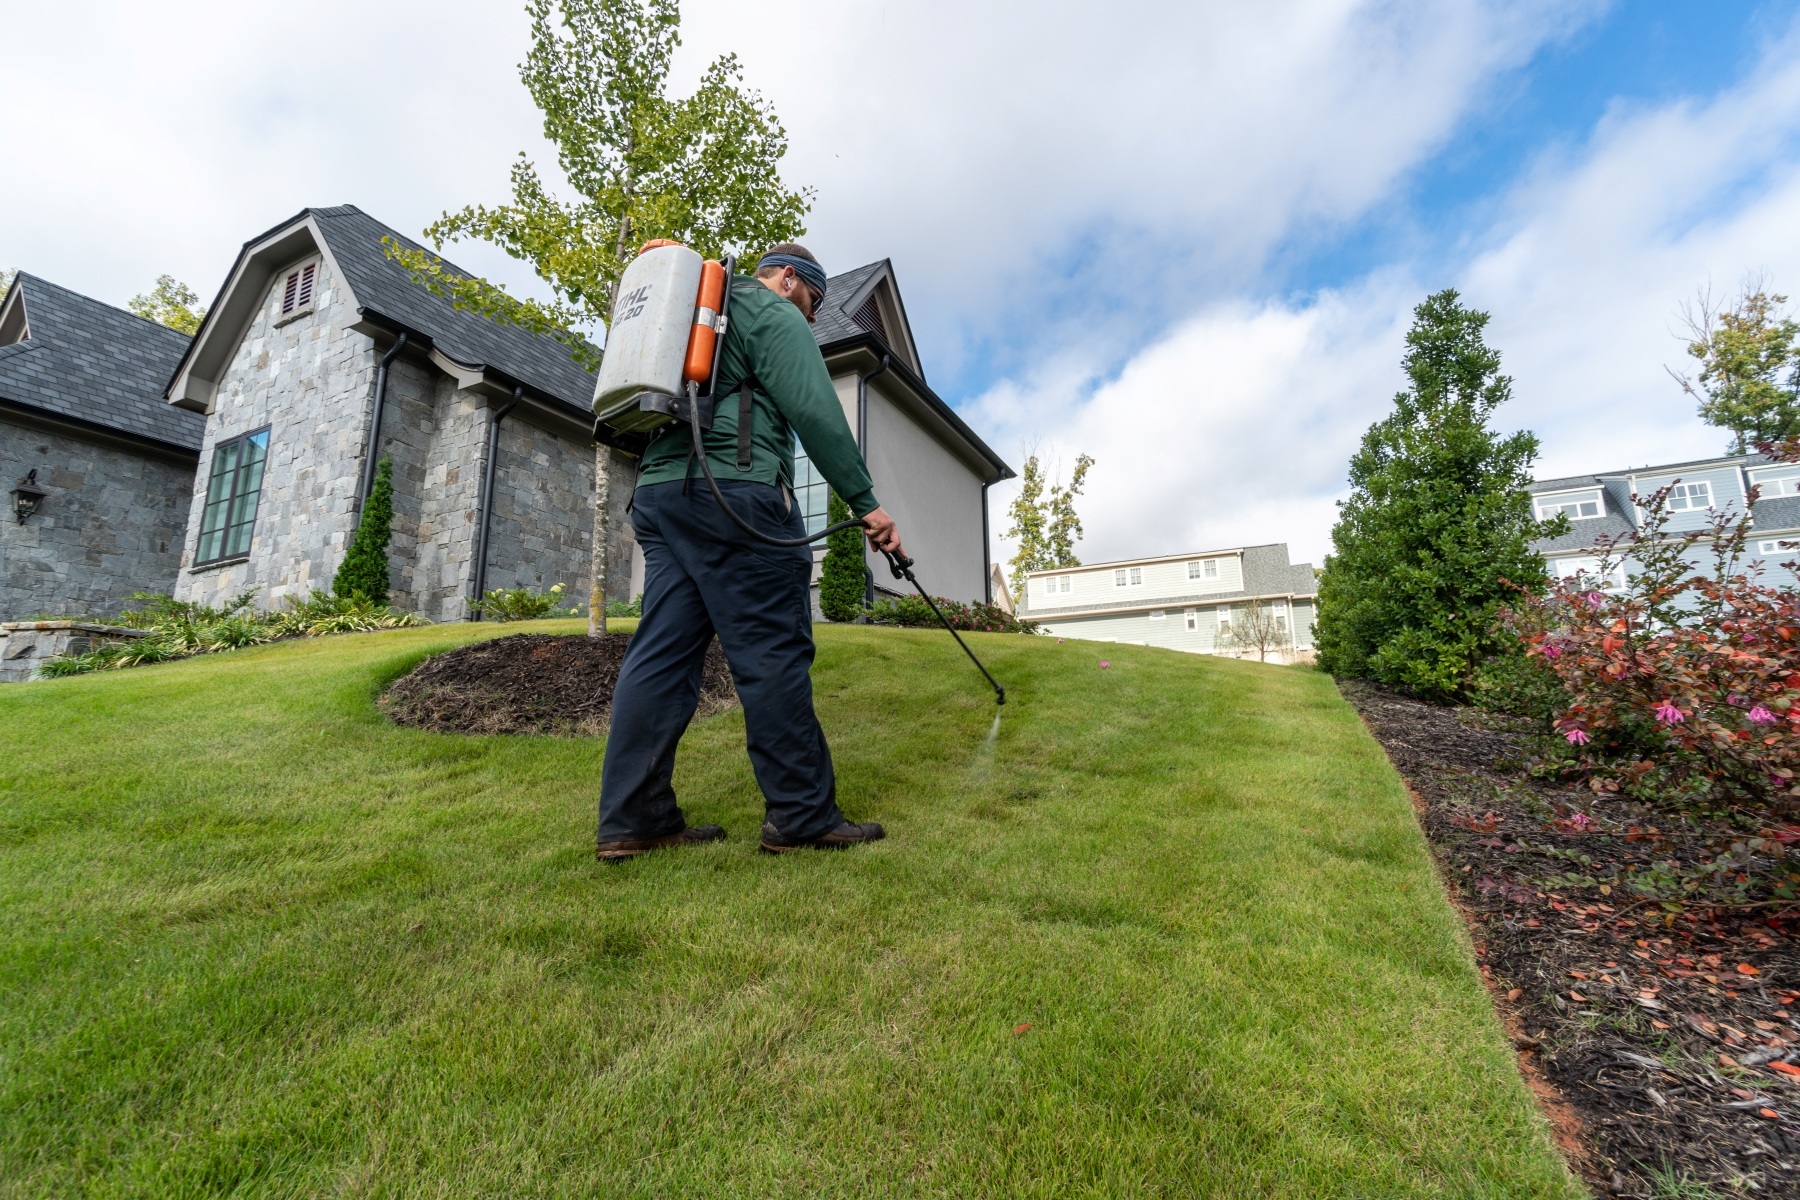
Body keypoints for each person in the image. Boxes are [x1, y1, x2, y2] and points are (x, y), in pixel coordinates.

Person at [596, 244, 905, 863]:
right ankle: (800, 815)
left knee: (660, 658)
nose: (814, 318)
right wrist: (866, 503)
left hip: (660, 497)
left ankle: (635, 819)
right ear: (790, 279)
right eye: (814, 303)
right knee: (772, 654)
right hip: (734, 498)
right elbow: (814, 408)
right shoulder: (769, 310)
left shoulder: (695, 311)